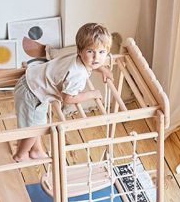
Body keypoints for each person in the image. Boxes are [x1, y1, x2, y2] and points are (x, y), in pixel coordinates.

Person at [13, 22, 113, 162]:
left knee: (38, 121)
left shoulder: (77, 58)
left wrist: (102, 69)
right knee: (34, 128)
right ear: (80, 51)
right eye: (91, 51)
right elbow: (68, 98)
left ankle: (36, 151)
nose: (96, 58)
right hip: (32, 93)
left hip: (34, 84)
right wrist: (92, 94)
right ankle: (21, 154)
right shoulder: (78, 75)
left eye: (102, 52)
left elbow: (91, 63)